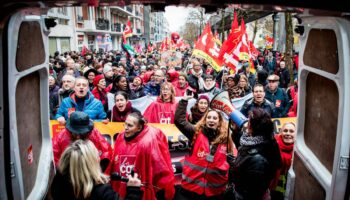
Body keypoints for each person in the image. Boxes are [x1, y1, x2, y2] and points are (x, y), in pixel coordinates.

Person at [174, 91, 234, 200]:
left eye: (215, 118)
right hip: (190, 189)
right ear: (205, 120)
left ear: (220, 122)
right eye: (209, 117)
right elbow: (179, 121)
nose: (211, 120)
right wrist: (184, 101)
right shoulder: (195, 132)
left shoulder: (226, 138)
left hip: (214, 192)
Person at [110, 112, 175, 200]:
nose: (125, 128)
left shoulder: (148, 142)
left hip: (141, 191)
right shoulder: (120, 137)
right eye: (125, 124)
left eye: (130, 125)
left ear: (139, 127)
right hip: (121, 189)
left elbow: (161, 169)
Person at [51, 140, 143, 200]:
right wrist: (133, 190)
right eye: (97, 154)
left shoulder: (58, 180)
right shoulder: (101, 191)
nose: (99, 158)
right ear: (90, 163)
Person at [230, 108, 282, 200]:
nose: (247, 122)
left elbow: (252, 193)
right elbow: (241, 145)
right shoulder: (253, 140)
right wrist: (236, 131)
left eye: (249, 121)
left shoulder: (258, 161)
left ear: (252, 126)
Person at [271, 122, 296, 200]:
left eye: (291, 131)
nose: (288, 133)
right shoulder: (272, 146)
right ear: (281, 132)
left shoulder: (300, 151)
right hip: (272, 192)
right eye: (285, 131)